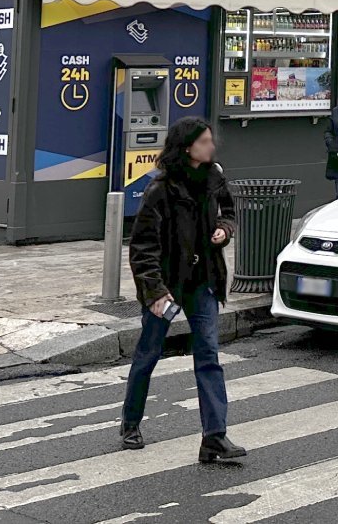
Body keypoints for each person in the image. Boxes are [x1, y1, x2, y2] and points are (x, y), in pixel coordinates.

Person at [122, 117, 246, 463]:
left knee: (209, 357)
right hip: (169, 286)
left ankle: (214, 438)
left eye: (210, 140)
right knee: (148, 354)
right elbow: (142, 247)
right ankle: (130, 422)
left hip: (203, 281)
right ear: (187, 146)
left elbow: (228, 211)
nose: (211, 146)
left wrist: (223, 229)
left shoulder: (213, 176)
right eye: (204, 141)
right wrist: (156, 292)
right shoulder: (160, 189)